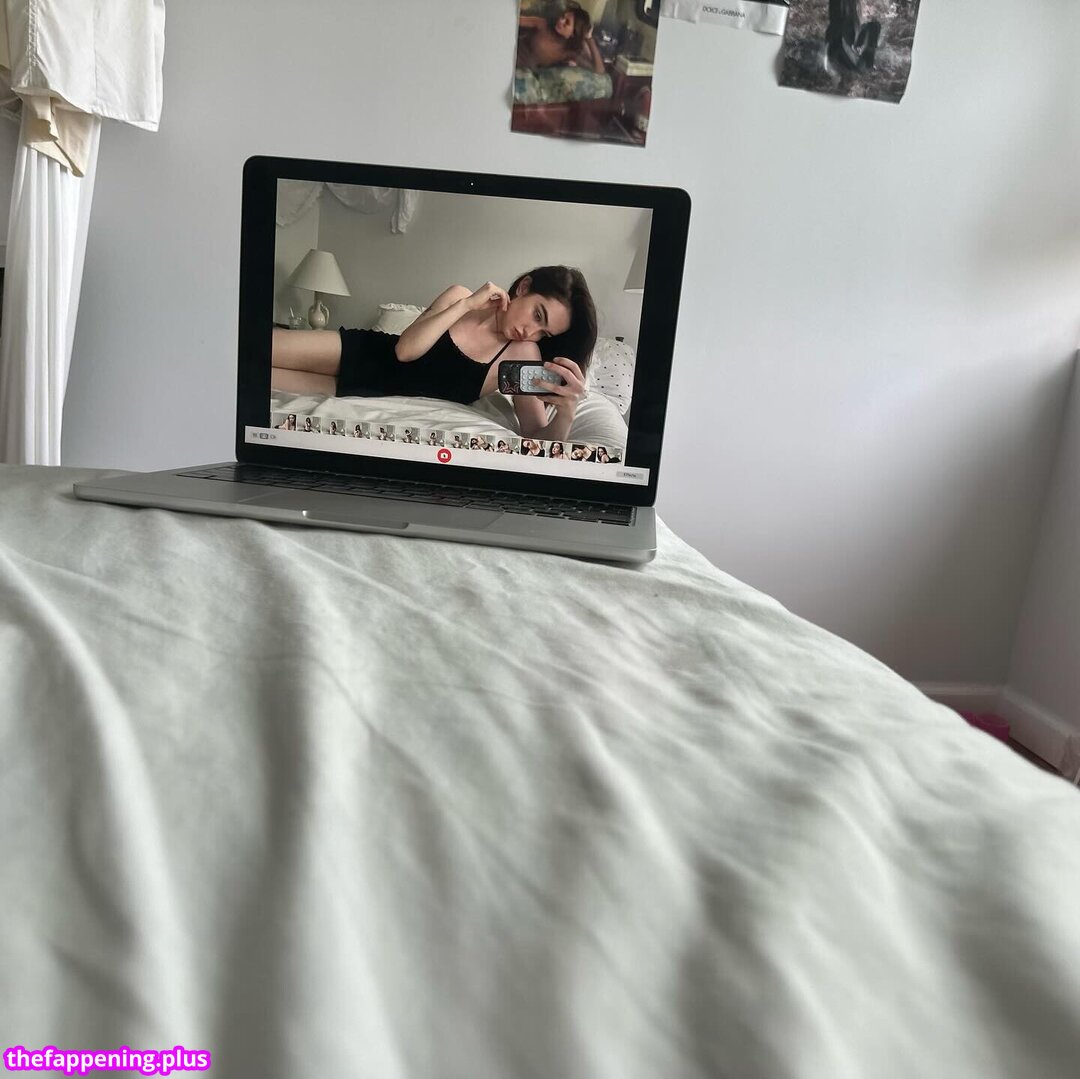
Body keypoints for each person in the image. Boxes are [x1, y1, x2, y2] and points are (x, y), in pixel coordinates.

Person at [270, 266, 597, 444]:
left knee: (257, 373)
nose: (531, 332)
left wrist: (567, 413)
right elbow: (405, 350)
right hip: (362, 353)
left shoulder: (523, 354)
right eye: (538, 315)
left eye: (544, 332)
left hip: (363, 391)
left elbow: (535, 437)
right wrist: (466, 305)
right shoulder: (460, 297)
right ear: (524, 287)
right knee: (264, 347)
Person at [517, 2, 605, 74]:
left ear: (573, 33)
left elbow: (599, 70)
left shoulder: (569, 52)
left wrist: (589, 38)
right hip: (516, 51)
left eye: (567, 22)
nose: (560, 21)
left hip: (525, 67)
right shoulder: (543, 24)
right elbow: (517, 20)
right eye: (563, 16)